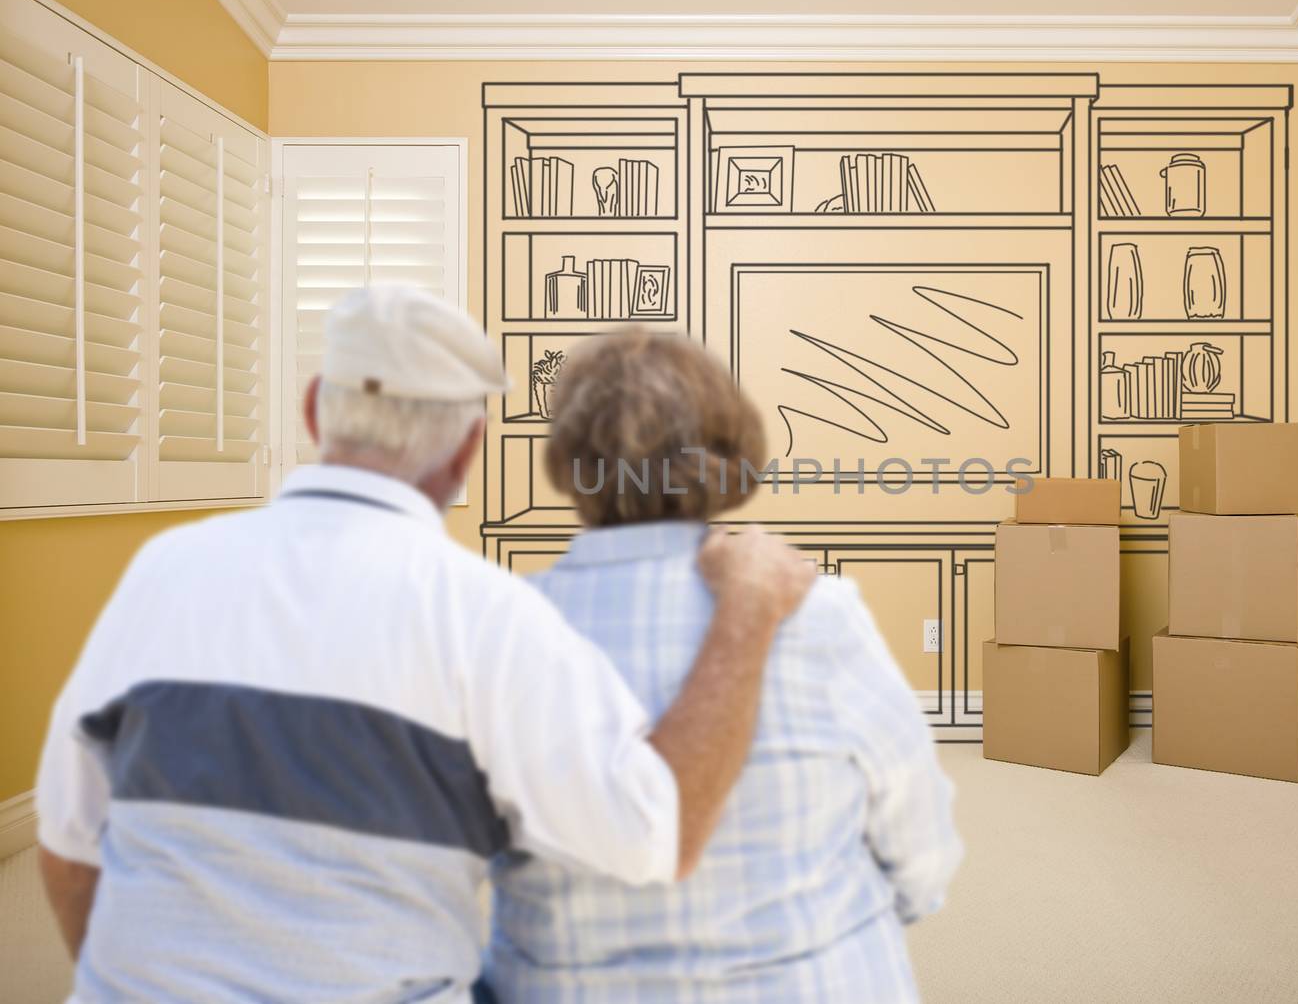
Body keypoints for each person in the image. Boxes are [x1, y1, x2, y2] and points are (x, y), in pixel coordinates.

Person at [33, 286, 815, 1002]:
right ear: (468, 450)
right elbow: (658, 835)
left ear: (313, 410)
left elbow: (68, 847)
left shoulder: (164, 569)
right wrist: (745, 608)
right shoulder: (489, 617)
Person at [486, 331, 963, 1003]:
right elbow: (916, 829)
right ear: (731, 452)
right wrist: (893, 909)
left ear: (567, 461)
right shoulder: (820, 614)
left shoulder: (500, 631)